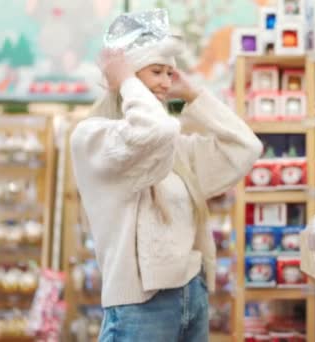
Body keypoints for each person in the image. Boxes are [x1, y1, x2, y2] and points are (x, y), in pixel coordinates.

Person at [70, 9, 262, 342]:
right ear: (123, 79)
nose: (165, 82)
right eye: (156, 71)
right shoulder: (93, 139)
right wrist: (128, 81)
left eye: (170, 73)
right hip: (140, 307)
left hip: (192, 296)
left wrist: (194, 95)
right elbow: (154, 130)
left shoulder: (177, 150)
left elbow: (245, 147)